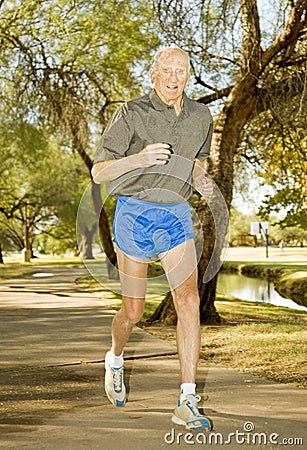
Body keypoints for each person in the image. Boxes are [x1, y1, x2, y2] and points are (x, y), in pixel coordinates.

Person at [92, 47, 214, 431]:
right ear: (153, 75)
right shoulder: (131, 112)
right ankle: (115, 357)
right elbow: (99, 172)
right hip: (134, 213)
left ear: (188, 76)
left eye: (181, 70)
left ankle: (187, 399)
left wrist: (201, 178)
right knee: (133, 312)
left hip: (175, 214)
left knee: (189, 299)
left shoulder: (201, 115)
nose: (174, 76)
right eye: (167, 69)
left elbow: (200, 160)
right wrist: (140, 159)